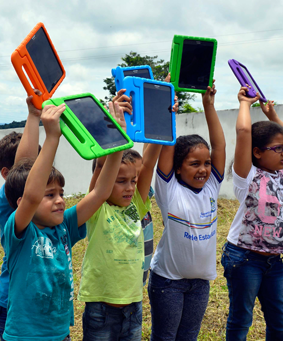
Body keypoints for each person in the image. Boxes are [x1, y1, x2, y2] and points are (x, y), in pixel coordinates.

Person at [1, 101, 128, 341]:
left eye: (61, 193)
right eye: (49, 195)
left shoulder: (64, 226)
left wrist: (117, 143)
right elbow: (31, 195)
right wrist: (51, 138)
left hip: (61, 335)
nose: (60, 200)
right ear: (20, 203)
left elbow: (101, 192)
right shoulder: (19, 232)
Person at [222, 86, 283, 341]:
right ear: (257, 152)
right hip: (244, 259)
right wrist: (245, 103)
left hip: (273, 261)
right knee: (241, 320)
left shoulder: (281, 173)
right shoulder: (247, 176)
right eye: (277, 149)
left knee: (281, 322)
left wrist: (273, 116)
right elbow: (244, 131)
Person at [79, 90, 161, 341]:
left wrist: (159, 108)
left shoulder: (136, 204)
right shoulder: (97, 207)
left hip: (134, 307)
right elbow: (103, 167)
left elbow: (149, 161)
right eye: (120, 181)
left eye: (132, 181)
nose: (129, 187)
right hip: (101, 311)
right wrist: (115, 128)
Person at [149, 81, 223, 340]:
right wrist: (170, 113)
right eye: (194, 164)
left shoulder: (212, 187)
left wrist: (208, 106)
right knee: (165, 337)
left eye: (206, 163)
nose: (203, 169)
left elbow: (220, 147)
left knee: (189, 336)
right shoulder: (169, 190)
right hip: (168, 283)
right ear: (178, 168)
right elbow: (166, 151)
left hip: (200, 285)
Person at [0, 89, 43, 340]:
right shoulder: (6, 201)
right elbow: (26, 167)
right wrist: (34, 115)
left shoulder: (47, 201)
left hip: (40, 306)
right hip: (13, 303)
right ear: (5, 173)